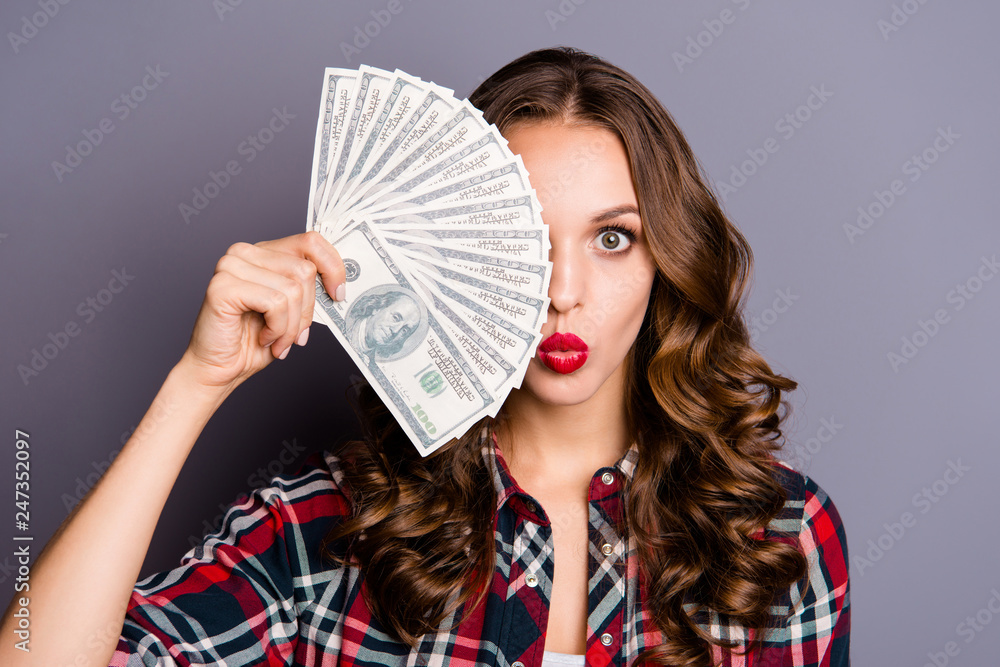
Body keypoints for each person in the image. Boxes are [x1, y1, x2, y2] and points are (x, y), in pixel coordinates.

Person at [0, 47, 849, 666]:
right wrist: (196, 384)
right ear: (459, 251)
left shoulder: (779, 540)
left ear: (667, 259)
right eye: (523, 238)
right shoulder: (324, 529)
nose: (562, 290)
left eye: (614, 238)